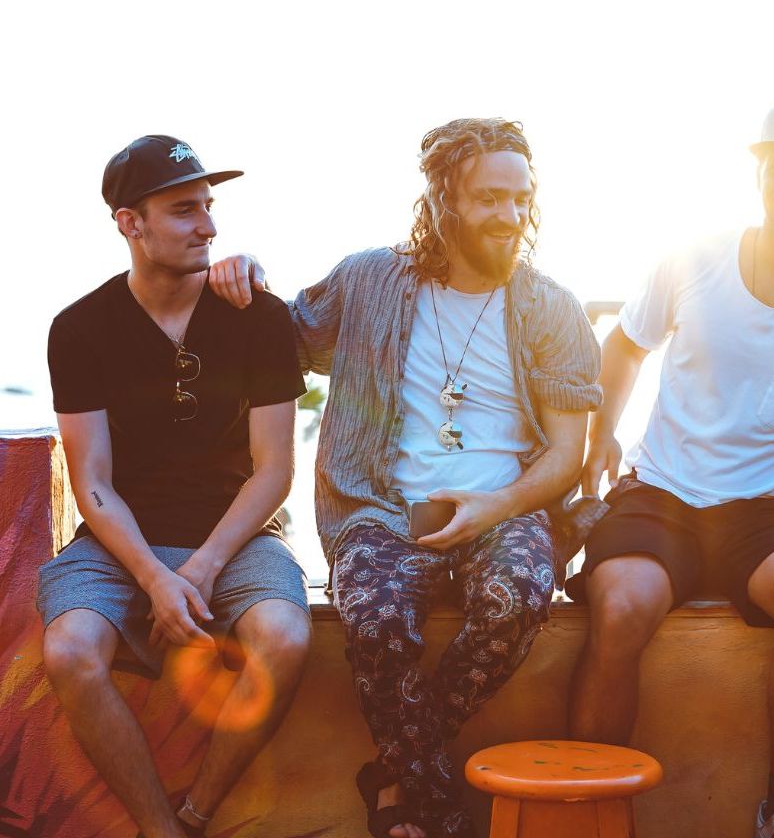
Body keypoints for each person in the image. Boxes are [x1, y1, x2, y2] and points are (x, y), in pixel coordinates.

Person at [209, 117, 601, 838]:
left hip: (505, 508)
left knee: (515, 598)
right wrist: (245, 270)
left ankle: (394, 779)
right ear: (443, 198)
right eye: (489, 198)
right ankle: (439, 809)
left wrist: (493, 507)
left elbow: (565, 456)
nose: (510, 216)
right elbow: (278, 337)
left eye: (521, 198)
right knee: (379, 623)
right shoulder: (369, 280)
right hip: (379, 510)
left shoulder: (551, 307)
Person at [568, 101, 774, 838]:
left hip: (773, 512)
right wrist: (602, 437)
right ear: (758, 175)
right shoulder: (694, 259)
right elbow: (625, 346)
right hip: (663, 493)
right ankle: (587, 814)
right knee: (621, 605)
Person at [38, 136, 312, 838]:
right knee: (70, 650)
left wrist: (201, 567)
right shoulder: (79, 328)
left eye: (209, 207)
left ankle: (196, 816)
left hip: (236, 534)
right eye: (184, 210)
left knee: (284, 638)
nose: (209, 227)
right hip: (120, 538)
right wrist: (155, 578)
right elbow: (92, 481)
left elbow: (274, 470)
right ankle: (160, 829)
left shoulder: (259, 316)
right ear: (130, 223)